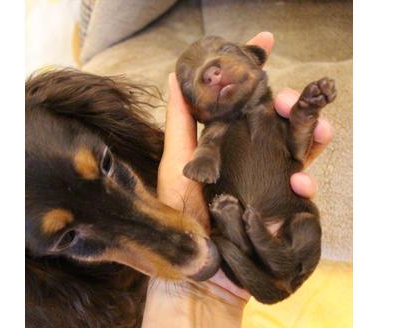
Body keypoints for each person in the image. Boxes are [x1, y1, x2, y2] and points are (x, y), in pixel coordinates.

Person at [142, 32, 333, 328]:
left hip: (290, 235)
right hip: (236, 257)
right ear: (194, 110)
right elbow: (206, 153)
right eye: (193, 80)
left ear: (256, 61)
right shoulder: (213, 135)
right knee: (225, 237)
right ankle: (247, 232)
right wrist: (203, 162)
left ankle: (251, 232)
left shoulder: (276, 115)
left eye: (226, 51)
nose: (212, 71)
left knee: (307, 227)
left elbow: (297, 145)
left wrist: (305, 112)